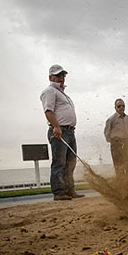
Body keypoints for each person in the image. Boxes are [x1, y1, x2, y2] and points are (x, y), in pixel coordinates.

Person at [40, 64, 85, 201]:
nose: (61, 78)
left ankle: (69, 190)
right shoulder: (50, 91)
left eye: (63, 76)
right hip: (60, 131)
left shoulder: (62, 93)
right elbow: (48, 111)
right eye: (58, 75)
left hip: (70, 131)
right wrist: (56, 127)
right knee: (59, 163)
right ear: (50, 77)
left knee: (70, 162)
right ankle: (59, 192)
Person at [104, 98, 128, 177]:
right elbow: (106, 133)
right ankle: (121, 186)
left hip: (126, 143)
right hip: (116, 144)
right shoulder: (111, 119)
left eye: (123, 106)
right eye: (119, 106)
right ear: (115, 107)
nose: (121, 108)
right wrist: (114, 141)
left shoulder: (127, 118)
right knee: (119, 167)